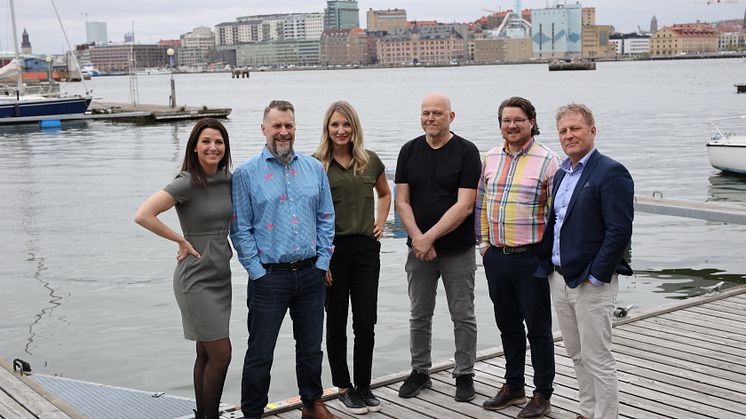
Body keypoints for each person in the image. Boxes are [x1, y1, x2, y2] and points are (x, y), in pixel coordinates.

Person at [230, 100, 338, 419]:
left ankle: (313, 404)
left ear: (295, 128)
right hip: (269, 278)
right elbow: (240, 228)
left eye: (288, 125)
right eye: (276, 125)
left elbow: (326, 217)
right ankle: (252, 413)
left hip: (310, 274)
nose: (283, 132)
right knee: (261, 353)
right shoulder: (246, 174)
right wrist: (257, 272)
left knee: (310, 348)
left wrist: (321, 263)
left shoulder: (313, 168)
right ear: (263, 128)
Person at [536, 103, 634, 419]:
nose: (569, 135)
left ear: (592, 130)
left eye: (575, 128)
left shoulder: (611, 171)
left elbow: (619, 230)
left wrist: (597, 275)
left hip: (591, 282)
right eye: (563, 131)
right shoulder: (563, 171)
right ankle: (587, 410)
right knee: (576, 353)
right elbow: (559, 222)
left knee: (597, 356)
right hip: (560, 277)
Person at [134, 118, 233, 419]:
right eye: (206, 141)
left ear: (225, 147)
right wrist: (179, 239)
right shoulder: (186, 182)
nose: (213, 147)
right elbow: (143, 215)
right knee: (221, 353)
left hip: (221, 275)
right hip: (196, 279)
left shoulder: (228, 179)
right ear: (195, 147)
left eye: (218, 141)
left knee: (205, 352)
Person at [475, 97, 560, 418]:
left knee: (538, 329)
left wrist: (547, 257)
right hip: (496, 256)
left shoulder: (548, 161)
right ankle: (513, 386)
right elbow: (481, 204)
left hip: (531, 259)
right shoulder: (490, 158)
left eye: (518, 120)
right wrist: (484, 245)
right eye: (506, 120)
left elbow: (556, 215)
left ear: (531, 123)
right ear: (500, 124)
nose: (512, 126)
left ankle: (542, 393)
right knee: (507, 325)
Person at [394, 92, 481, 402]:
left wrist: (428, 237)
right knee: (419, 314)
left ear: (451, 117)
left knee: (463, 314)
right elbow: (401, 201)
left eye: (437, 113)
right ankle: (420, 372)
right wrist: (418, 238)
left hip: (457, 249)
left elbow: (465, 205)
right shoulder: (409, 151)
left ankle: (465, 374)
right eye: (425, 113)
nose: (430, 118)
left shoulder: (467, 152)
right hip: (418, 250)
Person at [314, 101, 392, 415]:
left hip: (365, 250)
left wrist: (382, 220)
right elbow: (307, 214)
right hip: (332, 252)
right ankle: (343, 387)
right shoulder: (316, 165)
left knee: (365, 321)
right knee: (336, 323)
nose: (341, 130)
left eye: (346, 125)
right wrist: (321, 260)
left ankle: (363, 386)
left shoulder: (370, 161)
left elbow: (386, 193)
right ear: (327, 128)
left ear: (354, 127)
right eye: (335, 125)